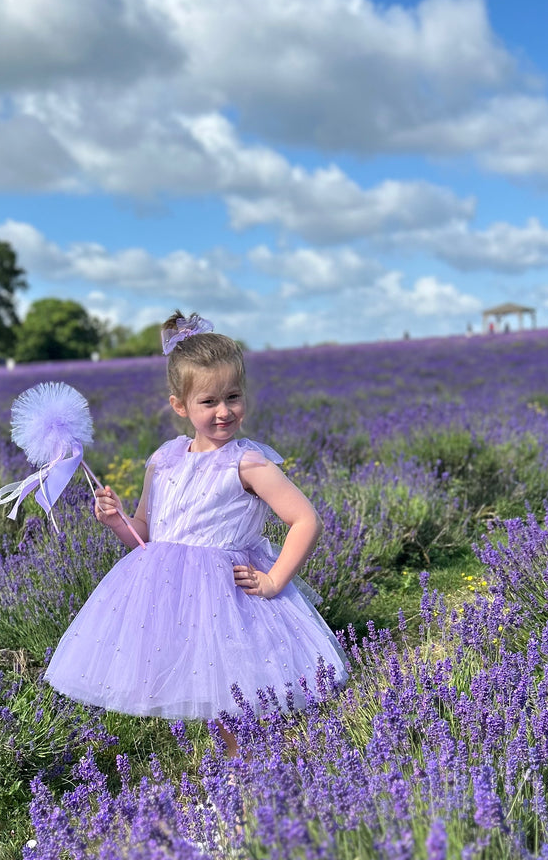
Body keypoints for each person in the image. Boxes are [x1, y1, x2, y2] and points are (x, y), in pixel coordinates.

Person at [43, 312, 348, 737]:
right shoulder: (164, 459)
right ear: (180, 406)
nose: (224, 411)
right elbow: (145, 534)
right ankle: (221, 766)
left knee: (235, 691)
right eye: (209, 402)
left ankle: (246, 765)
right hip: (165, 595)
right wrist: (116, 520)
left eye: (233, 397)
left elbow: (305, 519)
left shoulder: (248, 463)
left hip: (228, 595)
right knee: (193, 680)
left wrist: (275, 580)